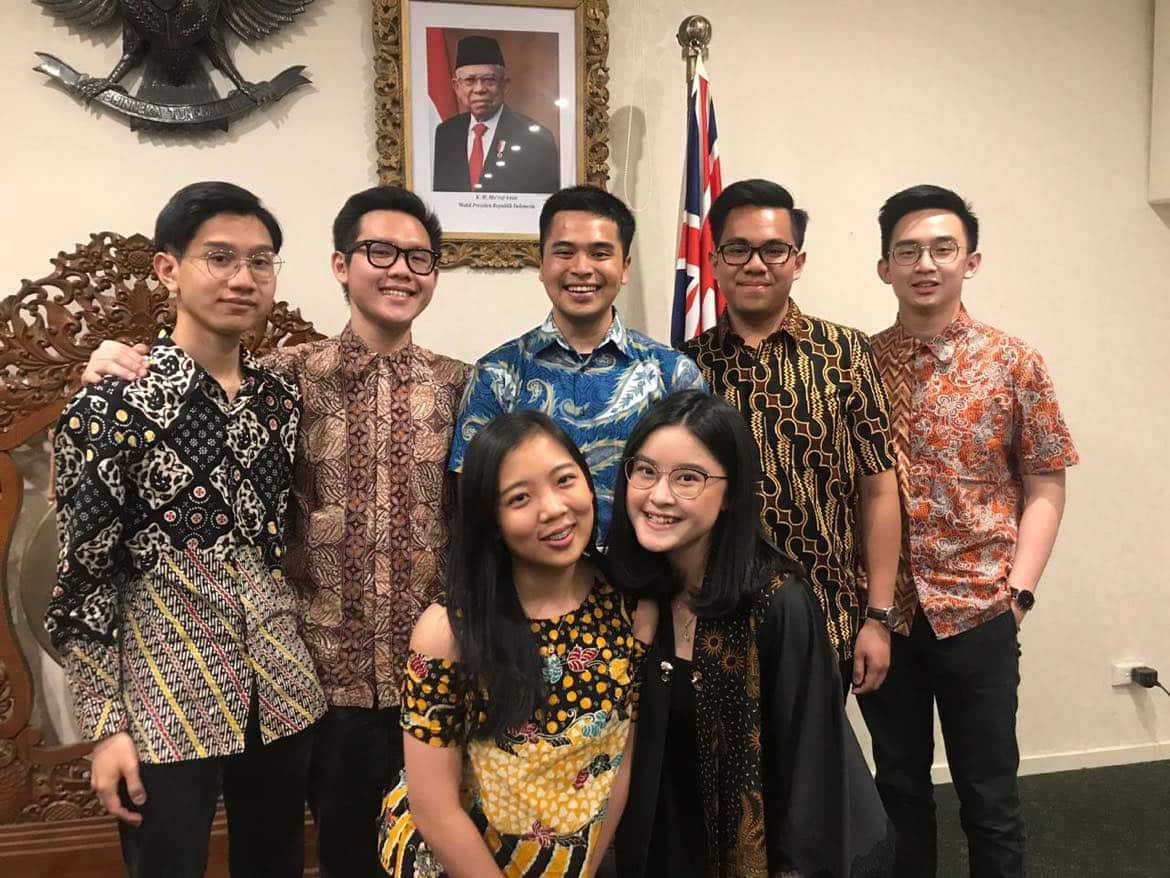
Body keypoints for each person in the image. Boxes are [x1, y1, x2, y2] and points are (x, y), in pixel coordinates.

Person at [79, 185, 471, 878]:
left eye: (419, 257)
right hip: (316, 678)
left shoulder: (463, 388)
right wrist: (111, 368)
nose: (401, 270)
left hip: (425, 674)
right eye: (380, 252)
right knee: (339, 857)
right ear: (340, 264)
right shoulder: (285, 381)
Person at [46, 181, 327, 877]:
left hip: (281, 685)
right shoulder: (110, 406)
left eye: (260, 261)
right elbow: (83, 580)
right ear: (168, 269)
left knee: (278, 862)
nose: (243, 278)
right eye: (219, 257)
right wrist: (104, 727)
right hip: (163, 692)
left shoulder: (278, 399)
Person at [857, 185, 1078, 877]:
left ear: (970, 261)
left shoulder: (1014, 362)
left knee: (989, 796)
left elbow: (1045, 482)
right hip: (886, 615)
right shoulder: (856, 365)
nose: (925, 264)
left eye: (942, 249)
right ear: (885, 267)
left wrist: (1019, 594)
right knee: (897, 788)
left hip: (979, 609)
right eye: (908, 251)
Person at [607, 390, 892, 878]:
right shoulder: (633, 592)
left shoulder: (778, 603)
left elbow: (810, 776)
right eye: (646, 470)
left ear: (731, 494)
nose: (659, 495)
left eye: (688, 478)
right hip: (672, 845)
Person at [379, 410, 655, 876]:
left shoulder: (632, 609)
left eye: (564, 480)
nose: (553, 509)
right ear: (492, 521)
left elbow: (621, 760)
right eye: (520, 498)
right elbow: (434, 807)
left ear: (590, 486)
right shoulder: (448, 631)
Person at [680, 179, 902, 697]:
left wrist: (879, 617)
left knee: (816, 752)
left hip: (825, 618)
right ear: (714, 261)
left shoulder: (846, 353)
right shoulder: (686, 367)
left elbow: (878, 489)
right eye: (737, 249)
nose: (755, 264)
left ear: (797, 261)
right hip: (715, 620)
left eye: (774, 250)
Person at [450, 185, 706, 540]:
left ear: (625, 266)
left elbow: (697, 488)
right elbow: (474, 499)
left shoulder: (673, 374)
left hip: (647, 571)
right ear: (541, 263)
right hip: (531, 571)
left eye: (600, 253)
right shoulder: (498, 375)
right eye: (564, 252)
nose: (581, 268)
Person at [433, 34, 560, 193]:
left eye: (489, 80)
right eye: (470, 81)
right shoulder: (444, 133)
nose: (480, 89)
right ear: (457, 87)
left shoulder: (536, 138)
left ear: (504, 85)